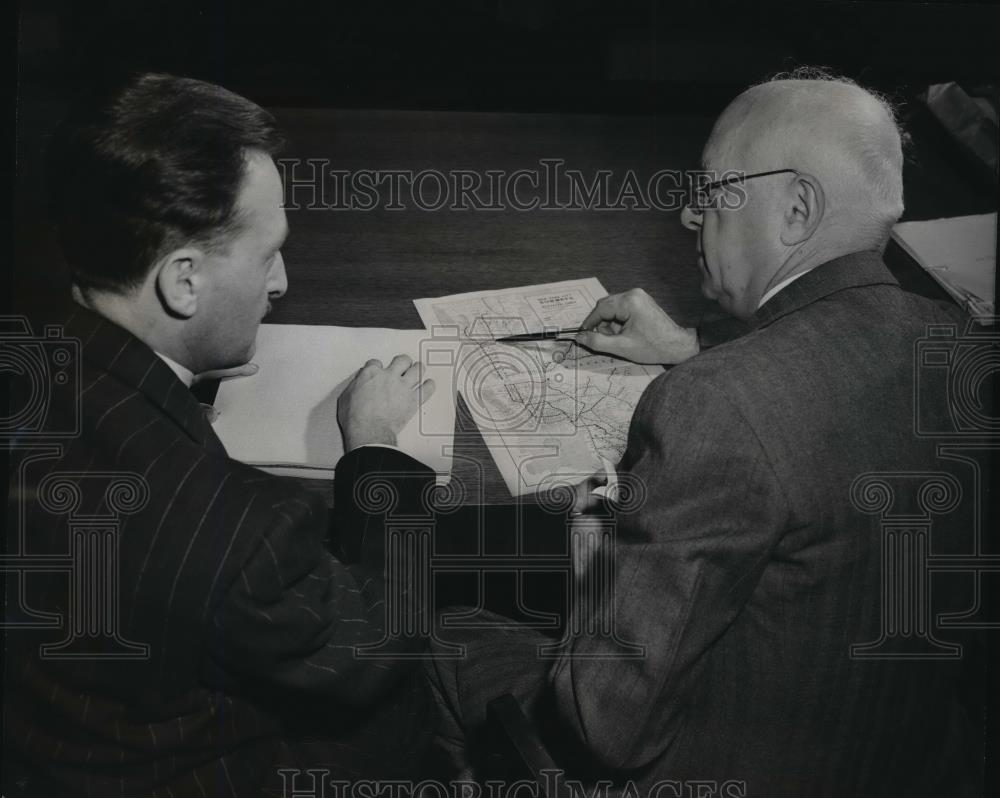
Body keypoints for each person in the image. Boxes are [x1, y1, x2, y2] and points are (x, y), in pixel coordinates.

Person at [426, 71, 982, 795]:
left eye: (714, 191)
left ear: (796, 209)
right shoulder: (964, 345)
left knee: (445, 626)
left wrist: (599, 567)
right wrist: (694, 344)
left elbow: (605, 726)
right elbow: (838, 377)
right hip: (908, 754)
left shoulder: (712, 408)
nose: (691, 217)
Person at [4, 73, 437, 796]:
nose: (281, 284)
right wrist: (375, 451)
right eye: (268, 255)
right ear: (183, 282)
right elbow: (371, 646)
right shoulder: (242, 525)